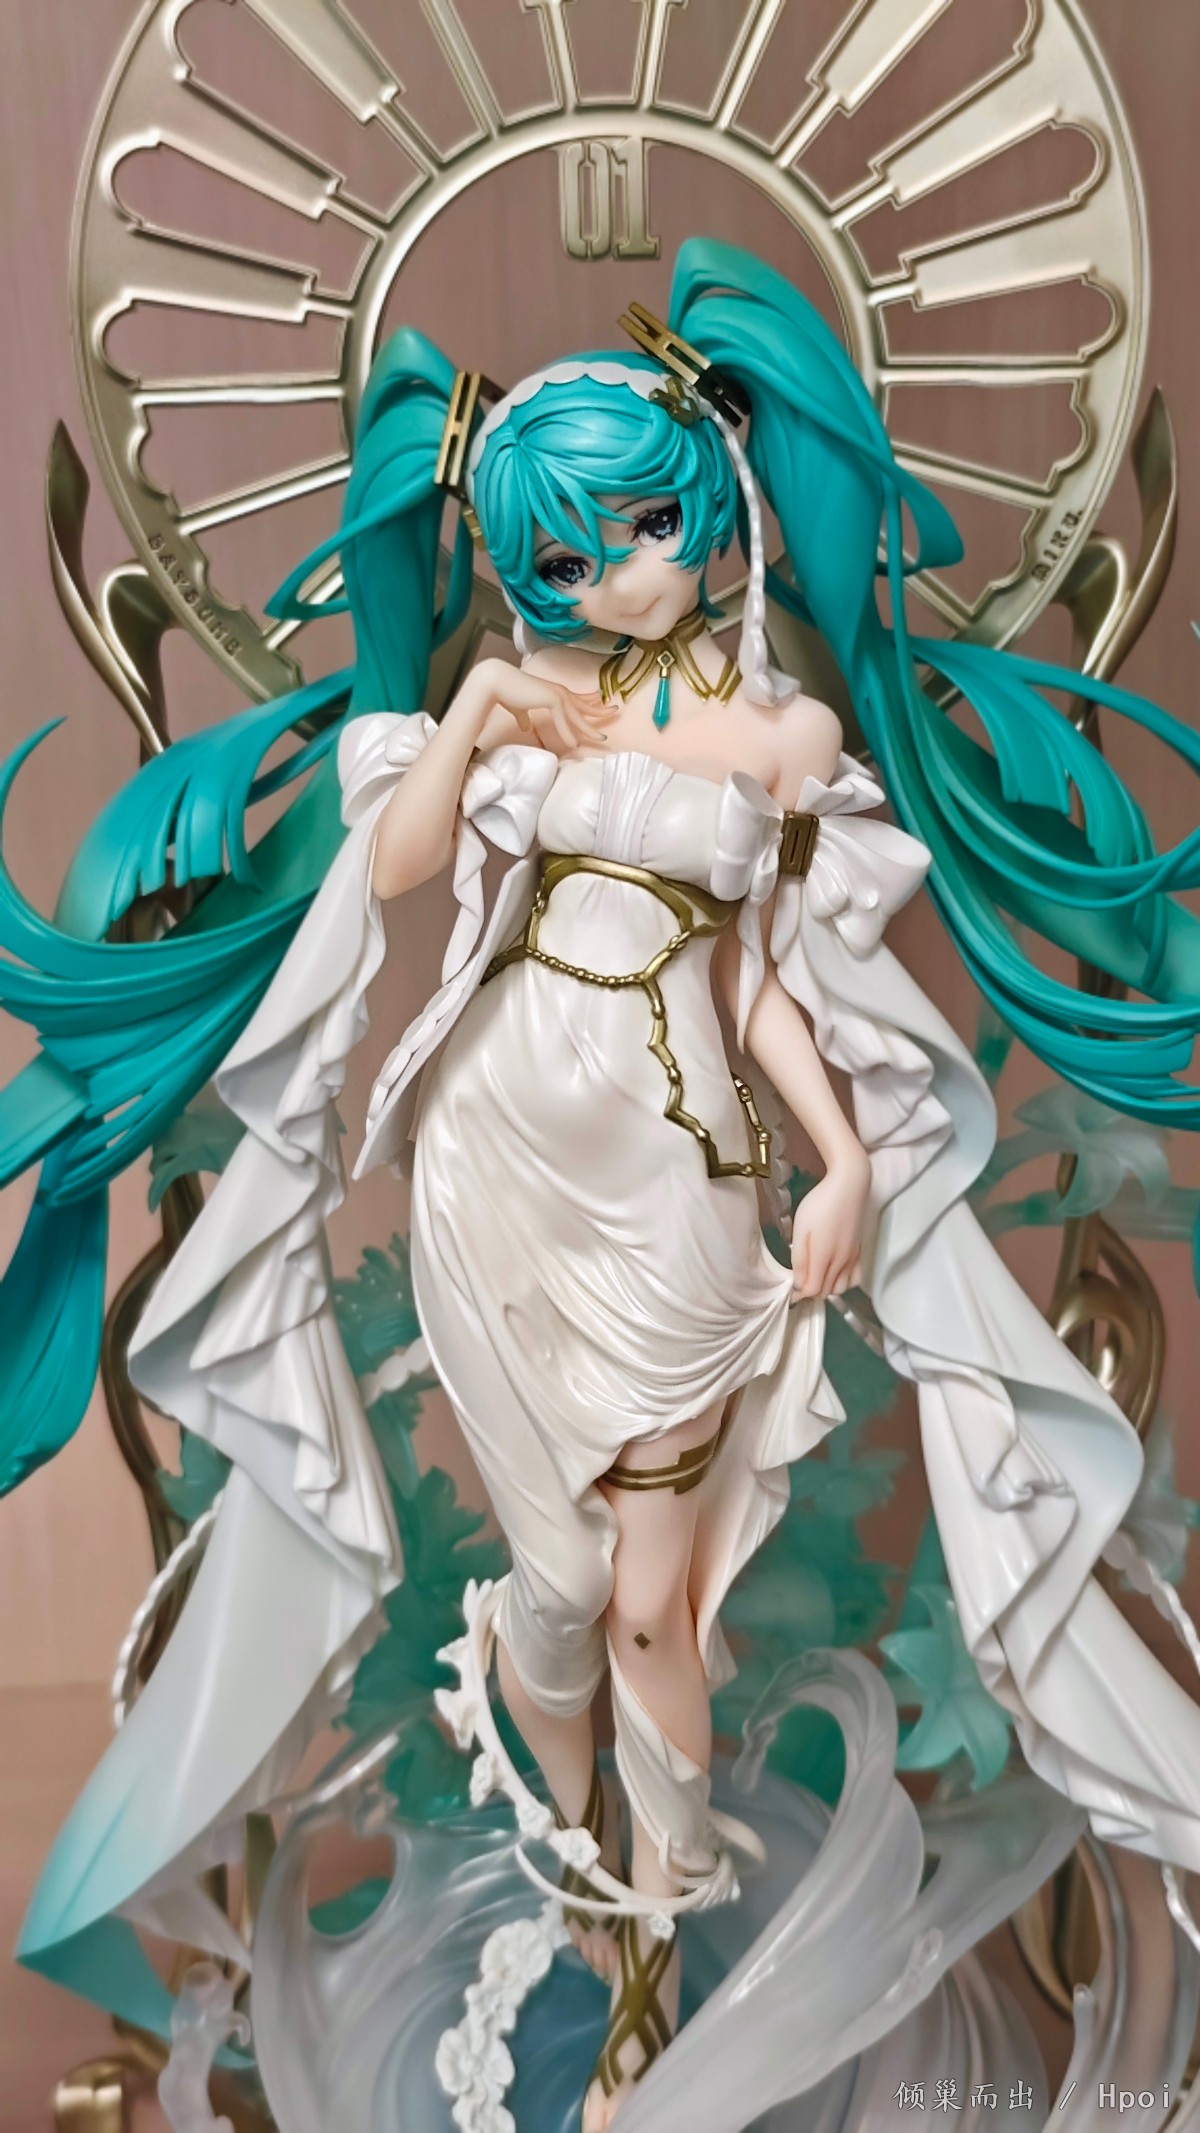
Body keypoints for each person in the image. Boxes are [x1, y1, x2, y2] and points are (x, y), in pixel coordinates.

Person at [9, 239, 1200, 2129]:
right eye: (563, 558)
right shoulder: (526, 690)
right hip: (496, 1162)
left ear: (713, 506)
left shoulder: (784, 735)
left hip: (678, 1186)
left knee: (654, 1603)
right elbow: (397, 869)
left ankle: (656, 1932)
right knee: (556, 1588)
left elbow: (768, 979)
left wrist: (841, 1165)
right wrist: (481, 706)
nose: (617, 578)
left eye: (644, 528)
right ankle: (583, 1889)